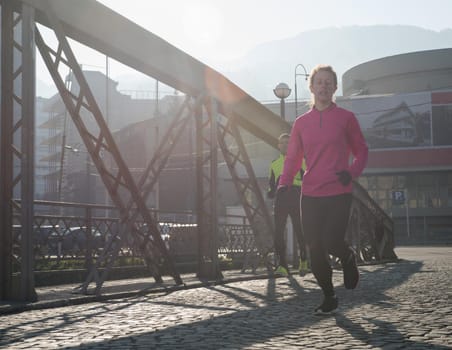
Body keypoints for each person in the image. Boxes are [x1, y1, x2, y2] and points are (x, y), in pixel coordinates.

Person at [278, 64, 368, 314]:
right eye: (320, 82)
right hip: (310, 193)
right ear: (312, 87)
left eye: (329, 82)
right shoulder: (301, 123)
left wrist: (351, 172)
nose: (324, 86)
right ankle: (329, 296)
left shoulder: (346, 118)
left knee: (331, 241)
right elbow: (293, 158)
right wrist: (284, 182)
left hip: (339, 190)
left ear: (335, 87)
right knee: (314, 247)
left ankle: (347, 256)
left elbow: (361, 150)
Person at [267, 133, 309, 277]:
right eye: (282, 143)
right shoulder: (274, 164)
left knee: (299, 230)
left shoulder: (301, 161)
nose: (285, 145)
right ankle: (283, 265)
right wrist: (270, 192)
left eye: (287, 142)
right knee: (278, 232)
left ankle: (303, 259)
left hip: (297, 196)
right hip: (281, 197)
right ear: (278, 145)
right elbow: (271, 185)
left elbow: (308, 181)